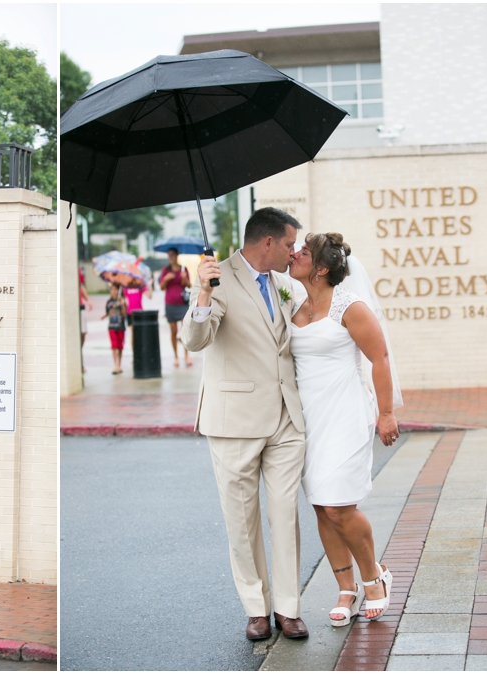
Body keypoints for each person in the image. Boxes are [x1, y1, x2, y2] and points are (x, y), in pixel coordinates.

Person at [181, 207, 308, 641]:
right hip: (234, 420)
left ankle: (289, 608)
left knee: (285, 514)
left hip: (287, 419)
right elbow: (196, 340)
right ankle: (257, 607)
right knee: (242, 520)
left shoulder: (281, 284)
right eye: (290, 244)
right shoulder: (218, 278)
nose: (294, 254)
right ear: (268, 242)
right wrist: (202, 293)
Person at [288, 233, 401, 626]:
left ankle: (374, 576)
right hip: (309, 419)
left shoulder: (349, 306)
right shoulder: (296, 306)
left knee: (339, 505)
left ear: (321, 268)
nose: (293, 255)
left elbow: (380, 357)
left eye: (301, 253)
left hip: (346, 413)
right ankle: (345, 588)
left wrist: (385, 413)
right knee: (322, 504)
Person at [160, 248, 193, 367]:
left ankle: (186, 355)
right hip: (170, 303)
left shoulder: (183, 269)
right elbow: (162, 287)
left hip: (182, 303)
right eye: (169, 255)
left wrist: (184, 279)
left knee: (185, 329)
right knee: (173, 331)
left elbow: (189, 285)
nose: (171, 257)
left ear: (177, 255)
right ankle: (176, 356)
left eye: (173, 255)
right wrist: (165, 279)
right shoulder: (165, 270)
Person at [102, 283, 127, 375]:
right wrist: (104, 316)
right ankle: (115, 364)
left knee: (120, 346)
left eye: (115, 289)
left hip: (120, 326)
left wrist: (123, 304)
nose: (114, 291)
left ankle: (119, 364)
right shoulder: (109, 302)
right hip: (112, 326)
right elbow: (108, 313)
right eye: (112, 289)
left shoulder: (121, 301)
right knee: (114, 345)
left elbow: (124, 313)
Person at [123, 280, 152, 349]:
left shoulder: (140, 285)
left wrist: (149, 285)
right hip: (130, 313)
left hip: (139, 313)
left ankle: (140, 352)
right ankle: (134, 355)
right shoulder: (126, 286)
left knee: (140, 334)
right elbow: (122, 298)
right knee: (133, 334)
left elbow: (149, 296)